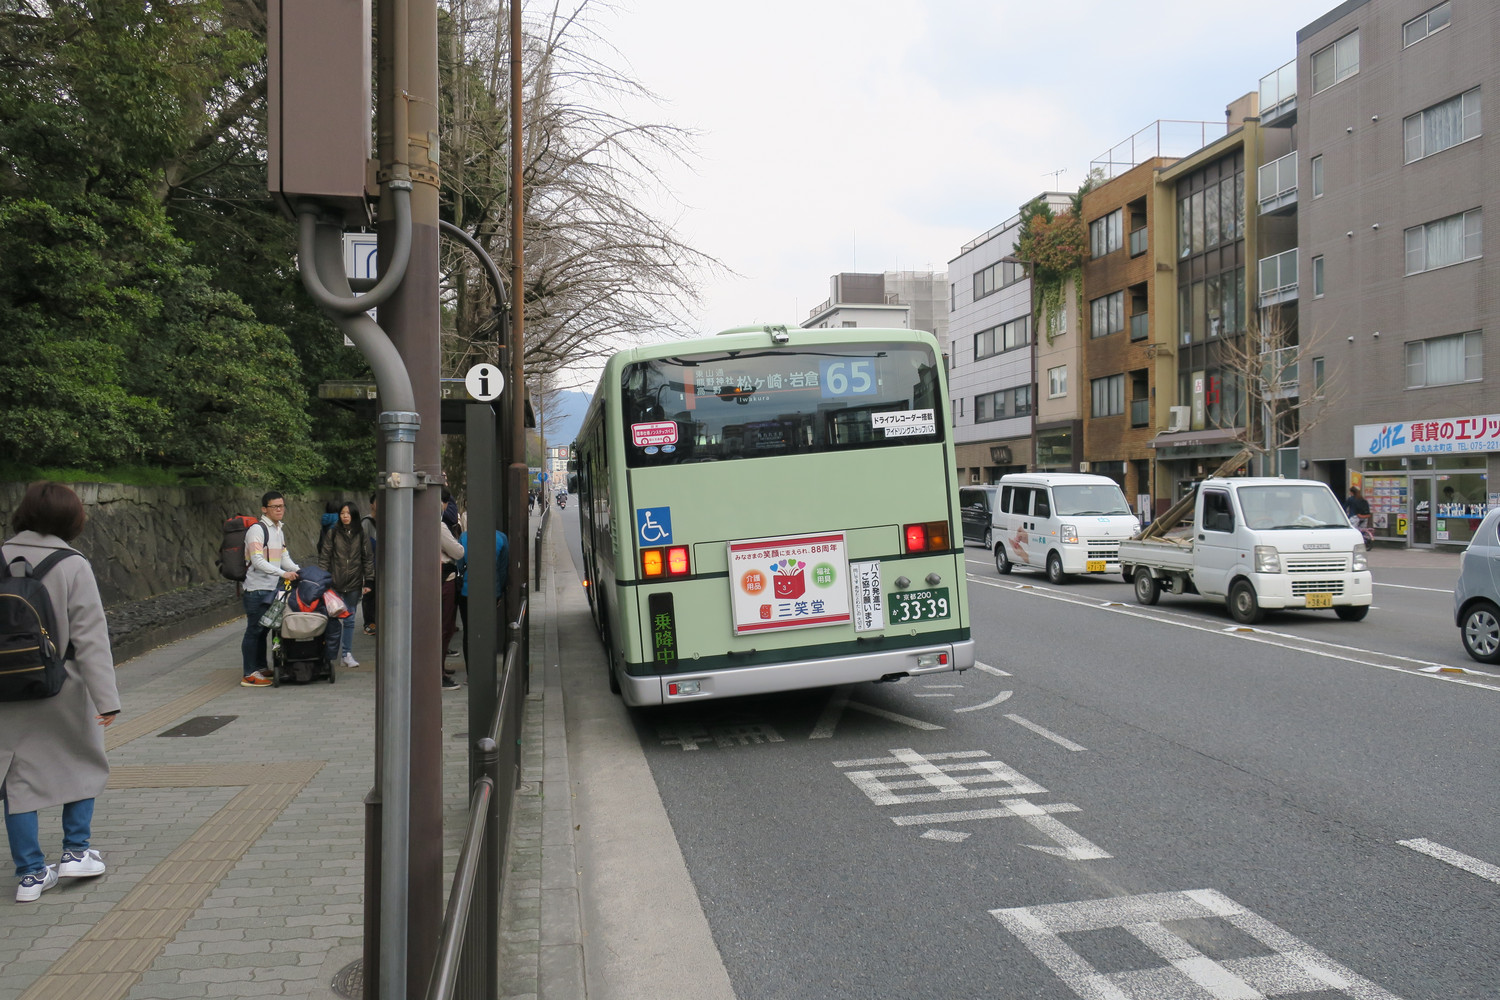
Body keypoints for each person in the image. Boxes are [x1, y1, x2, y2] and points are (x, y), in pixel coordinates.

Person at [1, 482, 121, 902]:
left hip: (6, 688)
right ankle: (75, 852)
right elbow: (90, 638)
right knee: (83, 760)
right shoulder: (72, 564)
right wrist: (107, 700)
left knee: (17, 779)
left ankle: (31, 875)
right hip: (63, 684)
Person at [240, 491, 300, 687]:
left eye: (282, 506)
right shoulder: (257, 530)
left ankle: (260, 667)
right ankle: (249, 673)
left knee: (264, 630)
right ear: (264, 509)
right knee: (254, 630)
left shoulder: (278, 530)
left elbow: (284, 557)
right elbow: (257, 561)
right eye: (275, 506)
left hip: (271, 589)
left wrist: (300, 572)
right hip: (256, 589)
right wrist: (283, 574)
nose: (279, 509)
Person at [319, 502, 372, 669]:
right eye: (342, 513)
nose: (345, 516)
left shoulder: (361, 534)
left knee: (349, 619)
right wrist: (322, 579)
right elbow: (325, 556)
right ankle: (328, 655)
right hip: (334, 583)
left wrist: (369, 580)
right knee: (331, 619)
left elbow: (367, 558)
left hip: (354, 583)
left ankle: (346, 654)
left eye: (348, 513)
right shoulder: (333, 533)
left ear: (354, 515)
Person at [456, 527, 509, 666]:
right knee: (487, 630)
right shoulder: (501, 538)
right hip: (491, 591)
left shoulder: (464, 537)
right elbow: (503, 569)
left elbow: (460, 565)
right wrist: (500, 590)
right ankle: (486, 665)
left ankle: (470, 669)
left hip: (467, 591)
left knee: (468, 632)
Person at [439, 515, 465, 689]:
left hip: (433, 579)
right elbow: (458, 552)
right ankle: (438, 672)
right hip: (445, 579)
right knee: (444, 627)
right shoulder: (438, 526)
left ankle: (439, 667)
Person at [361, 494, 378, 635]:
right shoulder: (367, 522)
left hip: (383, 564)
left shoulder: (389, 520)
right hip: (370, 564)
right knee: (370, 593)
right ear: (371, 505)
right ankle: (369, 623)